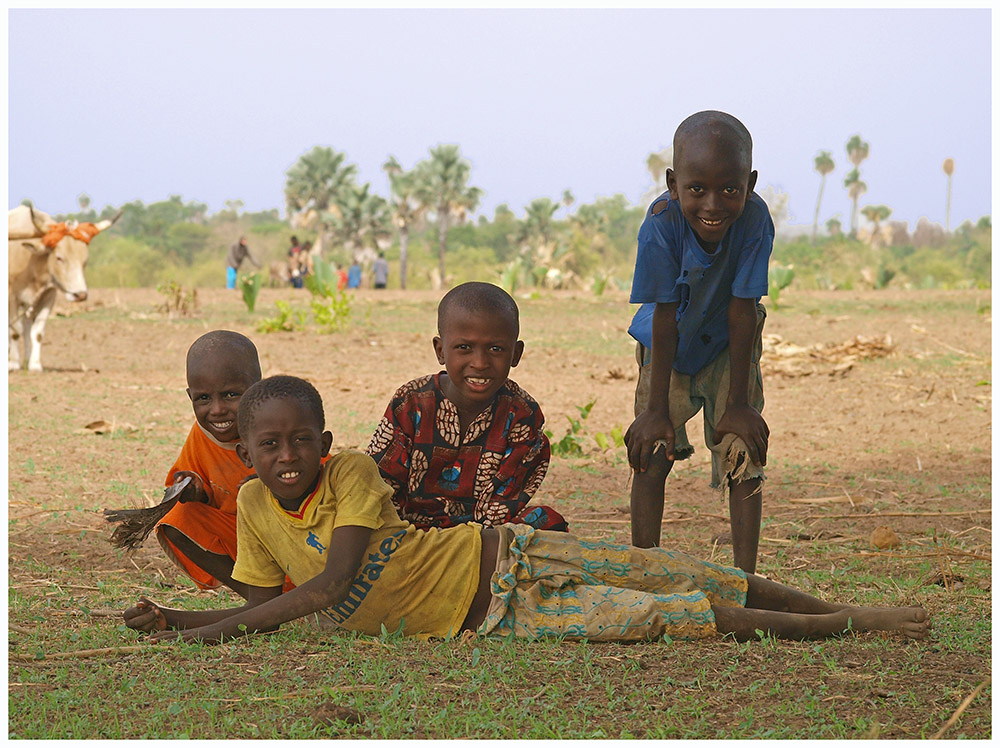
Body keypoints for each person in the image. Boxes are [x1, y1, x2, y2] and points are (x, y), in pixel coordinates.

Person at [124, 375, 931, 646]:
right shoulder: (258, 508)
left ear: (324, 439)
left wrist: (206, 634)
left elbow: (330, 589)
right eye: (270, 446)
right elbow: (271, 606)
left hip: (503, 557)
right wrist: (182, 622)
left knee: (673, 570)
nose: (287, 456)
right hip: (492, 621)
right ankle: (828, 628)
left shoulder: (353, 475)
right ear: (251, 455)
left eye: (301, 440)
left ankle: (847, 617)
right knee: (664, 616)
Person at [625, 111, 773, 575]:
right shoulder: (660, 225)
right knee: (651, 450)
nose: (714, 204)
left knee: (742, 448)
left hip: (731, 343)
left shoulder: (754, 221)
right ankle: (646, 571)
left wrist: (740, 402)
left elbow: (743, 309)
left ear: (749, 183)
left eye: (730, 189)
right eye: (697, 189)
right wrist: (653, 411)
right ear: (673, 183)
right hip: (668, 343)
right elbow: (665, 316)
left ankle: (746, 581)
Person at [366, 281, 567, 532]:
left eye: (495, 349)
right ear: (440, 350)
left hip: (483, 537)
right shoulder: (411, 403)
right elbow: (379, 483)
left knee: (547, 522)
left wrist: (469, 544)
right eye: (464, 348)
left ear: (515, 354)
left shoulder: (521, 414)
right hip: (407, 532)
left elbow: (501, 509)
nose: (480, 363)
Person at [154, 331, 263, 597]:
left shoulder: (279, 425)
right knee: (177, 519)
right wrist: (193, 490)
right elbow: (188, 478)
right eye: (203, 399)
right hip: (242, 542)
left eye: (230, 395)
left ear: (258, 389)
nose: (216, 410)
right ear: (190, 395)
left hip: (297, 542)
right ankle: (256, 596)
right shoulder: (202, 435)